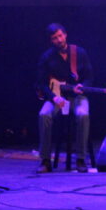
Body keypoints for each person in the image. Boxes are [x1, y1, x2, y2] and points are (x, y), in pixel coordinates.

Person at [36, 22, 94, 173]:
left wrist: (83, 85)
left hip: (76, 96)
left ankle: (81, 159)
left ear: (65, 35)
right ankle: (45, 160)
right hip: (55, 97)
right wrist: (54, 98)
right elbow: (41, 84)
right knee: (44, 115)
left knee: (83, 115)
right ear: (51, 40)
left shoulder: (79, 52)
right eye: (55, 38)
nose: (59, 40)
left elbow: (89, 77)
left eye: (60, 36)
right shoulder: (46, 57)